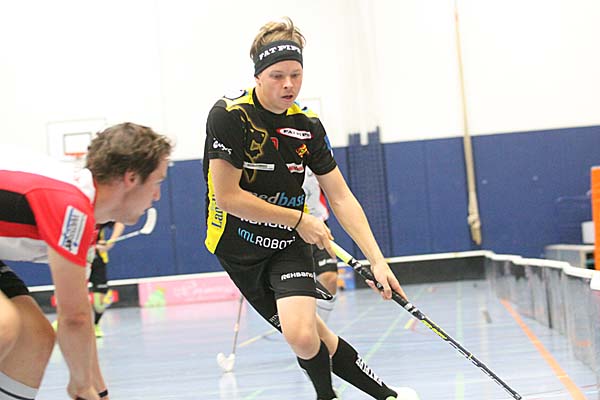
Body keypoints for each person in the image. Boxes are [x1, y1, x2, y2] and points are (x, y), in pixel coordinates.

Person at [203, 17, 409, 400]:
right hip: (236, 245)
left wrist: (377, 260)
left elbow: (341, 196)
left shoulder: (307, 125)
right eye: (277, 76)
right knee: (316, 334)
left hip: (286, 244)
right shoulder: (229, 116)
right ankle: (387, 396)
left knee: (301, 334)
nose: (288, 85)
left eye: (296, 75)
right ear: (258, 75)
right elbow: (227, 196)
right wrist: (300, 219)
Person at [0, 122, 172, 400]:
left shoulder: (87, 224)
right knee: (4, 324)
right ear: (131, 178)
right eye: (157, 182)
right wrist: (80, 387)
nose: (157, 195)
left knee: (36, 336)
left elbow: (80, 319)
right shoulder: (70, 207)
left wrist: (98, 392)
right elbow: (73, 318)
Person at [302, 167, 339, 322]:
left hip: (318, 225)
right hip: (288, 226)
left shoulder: (315, 156)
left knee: (329, 278)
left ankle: (320, 329)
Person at [90, 221, 125, 338]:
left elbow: (119, 223)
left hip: (98, 260)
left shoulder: (98, 216)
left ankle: (95, 325)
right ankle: (62, 323)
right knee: (72, 297)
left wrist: (111, 242)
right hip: (77, 260)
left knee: (99, 305)